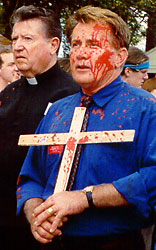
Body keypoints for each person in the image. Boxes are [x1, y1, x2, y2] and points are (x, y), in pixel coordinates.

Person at [17, 6, 156, 250]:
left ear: (120, 56)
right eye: (76, 44)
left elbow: (153, 176)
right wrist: (35, 212)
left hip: (115, 243)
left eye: (93, 45)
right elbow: (31, 176)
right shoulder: (57, 112)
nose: (80, 54)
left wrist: (86, 198)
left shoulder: (145, 109)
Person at [0, 5, 79, 250]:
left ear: (54, 44)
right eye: (15, 38)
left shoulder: (73, 94)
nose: (18, 46)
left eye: (28, 38)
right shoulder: (9, 93)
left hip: (46, 224)